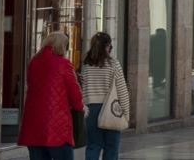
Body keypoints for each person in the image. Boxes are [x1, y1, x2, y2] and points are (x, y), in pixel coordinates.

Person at [18, 32, 84, 160]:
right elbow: (75, 94)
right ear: (61, 46)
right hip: (58, 125)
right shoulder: (63, 64)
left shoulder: (34, 63)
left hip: (34, 125)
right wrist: (80, 107)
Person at [79, 32, 130, 160]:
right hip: (111, 109)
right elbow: (122, 91)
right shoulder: (114, 64)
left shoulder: (86, 64)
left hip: (91, 109)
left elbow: (83, 88)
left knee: (93, 145)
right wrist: (125, 113)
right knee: (111, 147)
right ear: (107, 46)